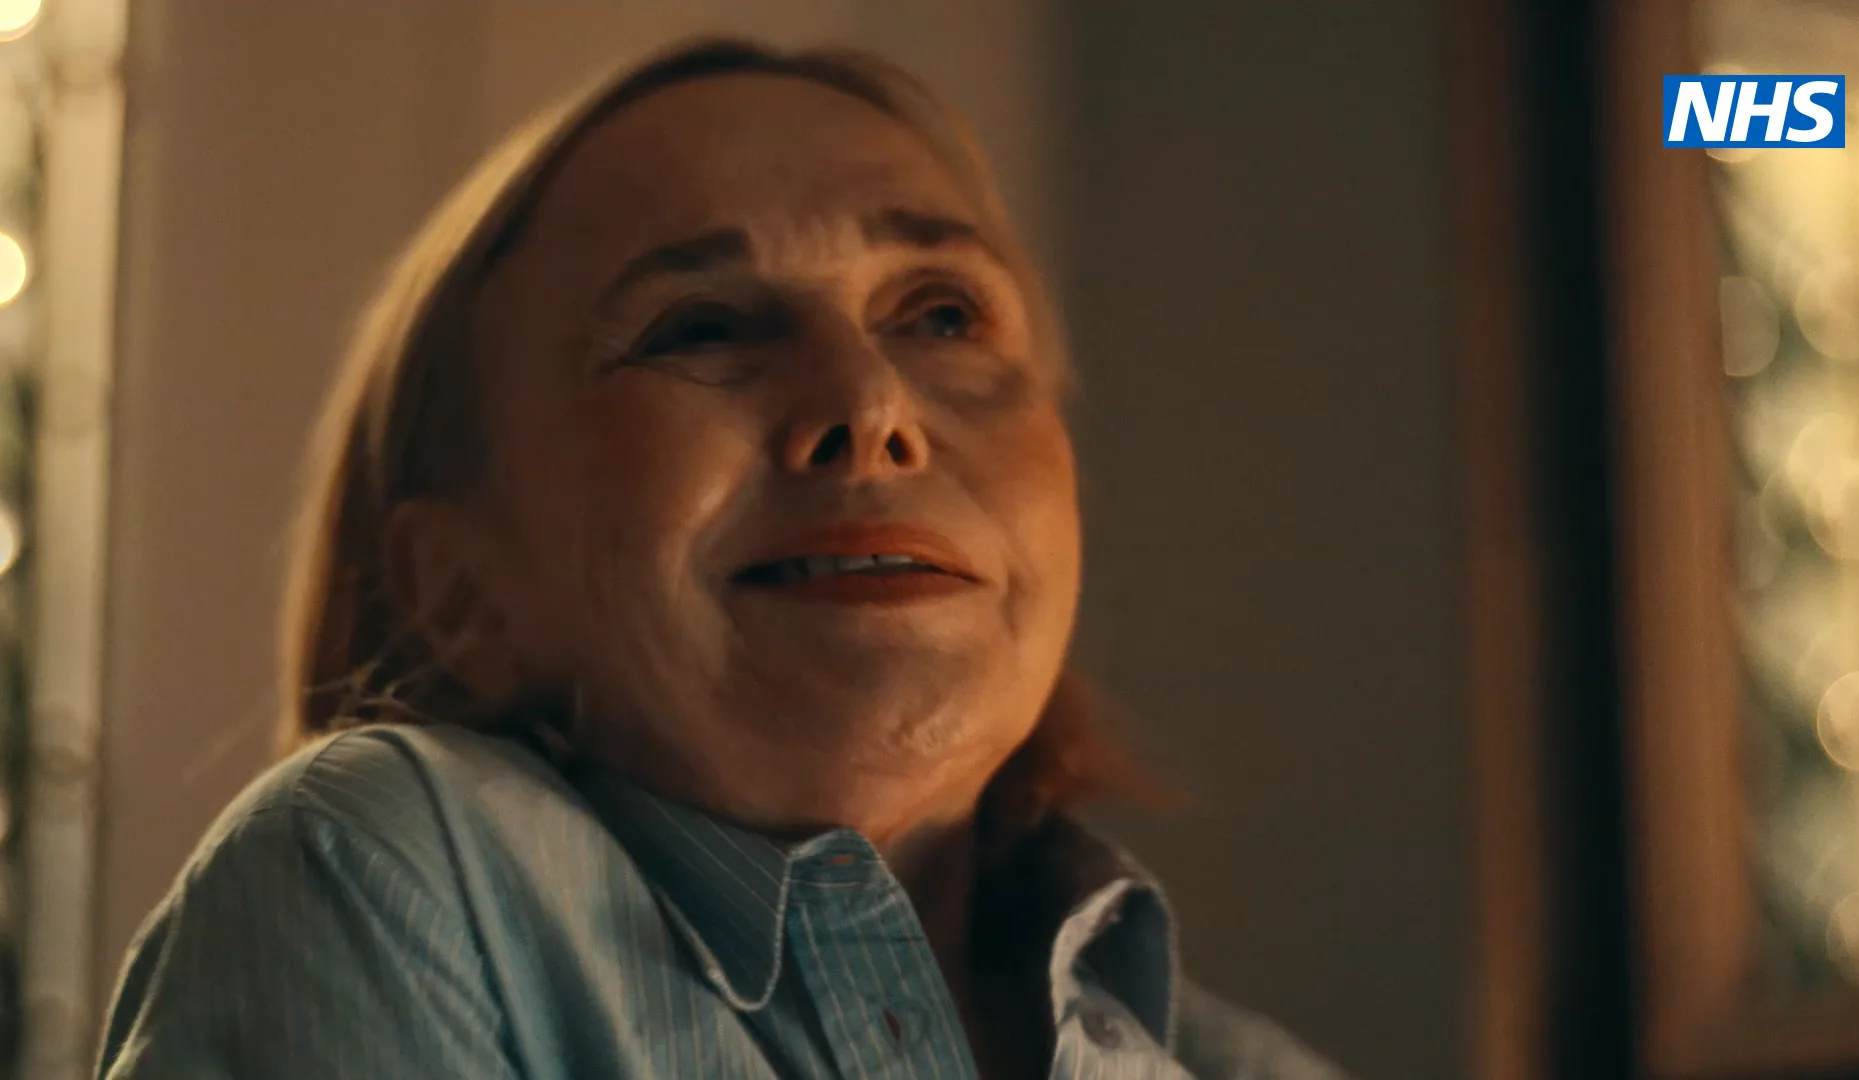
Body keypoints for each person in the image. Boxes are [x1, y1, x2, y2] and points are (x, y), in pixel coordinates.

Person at [95, 38, 1350, 1080]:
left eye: (943, 314)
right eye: (699, 327)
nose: (870, 402)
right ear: (458, 595)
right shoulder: (386, 871)